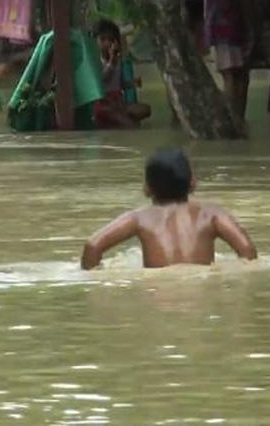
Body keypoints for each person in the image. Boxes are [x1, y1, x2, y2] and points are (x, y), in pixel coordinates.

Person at [81, 149, 257, 270]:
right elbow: (247, 250)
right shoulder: (211, 214)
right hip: (200, 290)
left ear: (147, 188)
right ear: (193, 183)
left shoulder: (139, 218)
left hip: (159, 293)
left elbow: (93, 246)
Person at [92, 19, 151, 128]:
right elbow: (103, 79)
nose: (107, 43)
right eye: (103, 39)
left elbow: (120, 84)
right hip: (103, 105)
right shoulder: (95, 61)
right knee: (129, 125)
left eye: (111, 40)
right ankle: (119, 120)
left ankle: (119, 119)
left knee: (145, 109)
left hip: (118, 103)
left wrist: (132, 83)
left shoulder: (118, 62)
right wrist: (111, 61)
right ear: (95, 41)